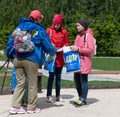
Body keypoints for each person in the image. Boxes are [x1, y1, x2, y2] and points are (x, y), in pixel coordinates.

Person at [6, 9, 57, 114]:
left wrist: (9, 54)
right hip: (32, 59)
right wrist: (54, 51)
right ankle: (31, 107)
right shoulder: (39, 29)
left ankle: (15, 106)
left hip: (17, 58)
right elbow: (47, 45)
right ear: (38, 19)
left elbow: (10, 41)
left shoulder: (19, 27)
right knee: (32, 84)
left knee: (20, 83)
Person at [46, 14, 70, 102]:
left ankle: (58, 95)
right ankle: (48, 95)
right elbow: (45, 41)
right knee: (51, 76)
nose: (56, 26)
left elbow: (67, 42)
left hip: (60, 57)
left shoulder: (64, 32)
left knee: (59, 77)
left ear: (61, 24)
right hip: (52, 57)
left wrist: (64, 47)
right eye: (55, 24)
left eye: (58, 24)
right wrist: (50, 46)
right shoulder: (49, 30)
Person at [70, 19, 94, 106]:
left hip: (85, 61)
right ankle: (80, 97)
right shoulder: (78, 35)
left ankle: (83, 99)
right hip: (77, 61)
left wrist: (78, 49)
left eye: (78, 25)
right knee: (76, 79)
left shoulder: (88, 36)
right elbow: (76, 47)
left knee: (84, 80)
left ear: (83, 26)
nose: (77, 27)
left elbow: (90, 49)